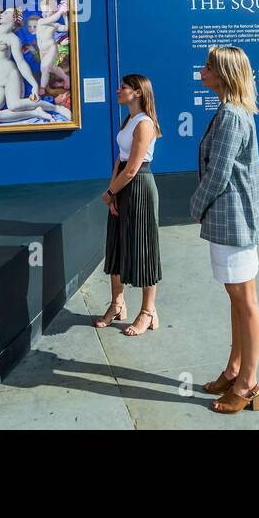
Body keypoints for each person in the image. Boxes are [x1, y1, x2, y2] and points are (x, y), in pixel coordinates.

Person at [190, 45, 259, 414]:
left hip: (233, 219)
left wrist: (195, 205)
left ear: (222, 75)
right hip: (233, 219)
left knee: (245, 302)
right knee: (238, 300)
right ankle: (234, 369)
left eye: (207, 66)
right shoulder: (231, 111)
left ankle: (248, 384)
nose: (202, 70)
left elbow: (219, 173)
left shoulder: (231, 116)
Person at [94, 75, 162, 336]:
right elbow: (120, 161)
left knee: (143, 249)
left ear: (138, 92)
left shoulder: (145, 124)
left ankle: (148, 312)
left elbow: (134, 168)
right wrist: (112, 192)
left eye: (123, 87)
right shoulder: (129, 120)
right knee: (117, 246)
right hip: (122, 185)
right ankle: (117, 304)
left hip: (139, 187)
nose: (118, 90)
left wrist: (112, 191)